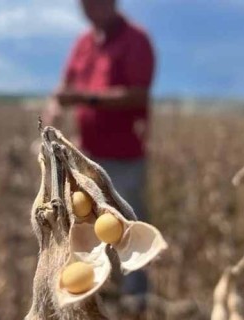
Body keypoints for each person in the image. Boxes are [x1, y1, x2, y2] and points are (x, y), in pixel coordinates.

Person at [43, 0, 155, 314]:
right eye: (86, 3)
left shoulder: (136, 40)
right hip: (85, 159)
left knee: (129, 227)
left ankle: (137, 301)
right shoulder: (82, 44)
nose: (92, 8)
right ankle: (103, 294)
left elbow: (137, 94)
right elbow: (63, 87)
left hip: (124, 157)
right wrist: (53, 112)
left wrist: (83, 98)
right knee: (84, 229)